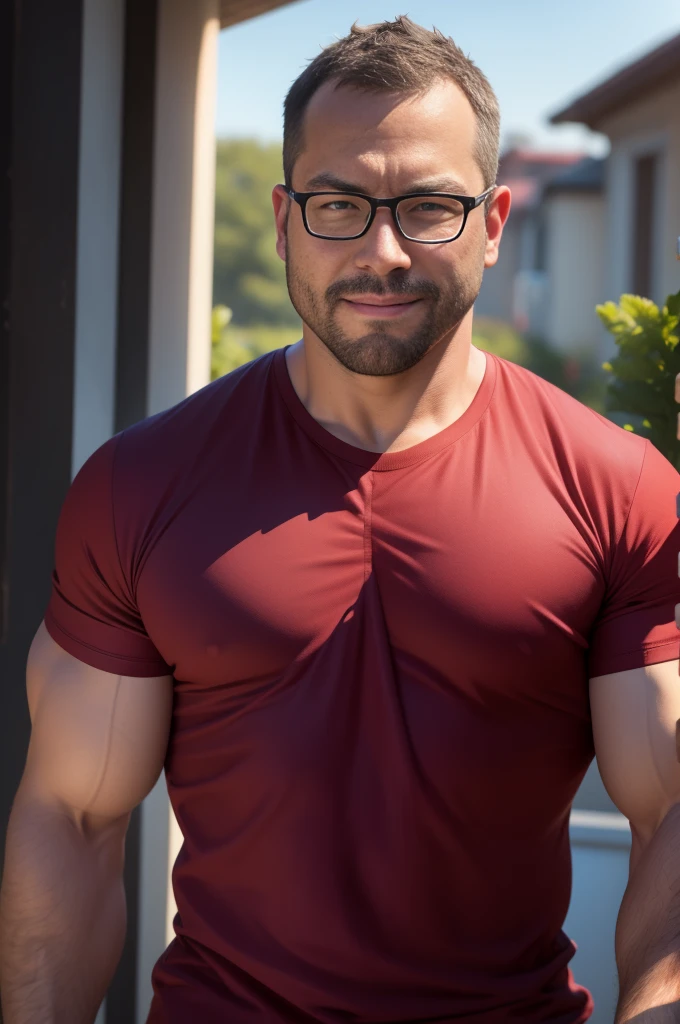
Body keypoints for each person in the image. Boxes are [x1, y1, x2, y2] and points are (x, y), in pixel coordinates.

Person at [2, 16, 680, 1024]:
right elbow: (74, 818)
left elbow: (670, 812)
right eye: (338, 205)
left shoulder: (615, 487)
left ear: (492, 221)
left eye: (427, 206)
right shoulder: (141, 485)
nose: (382, 248)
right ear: (282, 221)